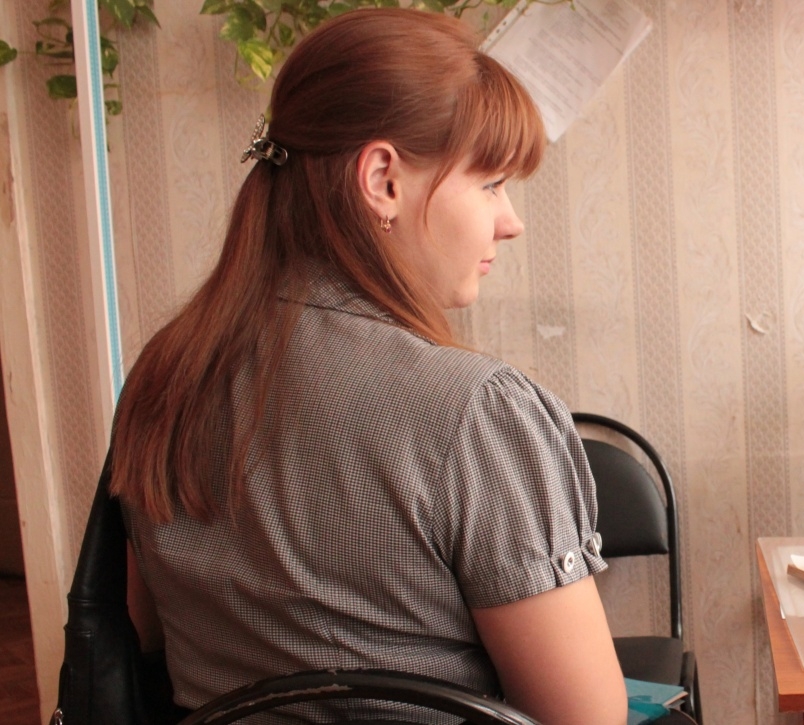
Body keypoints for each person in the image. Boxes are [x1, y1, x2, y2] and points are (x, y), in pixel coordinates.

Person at [109, 9, 626, 724]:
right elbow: (586, 717)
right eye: (490, 183)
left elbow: (141, 633)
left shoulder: (165, 371)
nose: (510, 221)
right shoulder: (477, 411)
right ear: (383, 179)